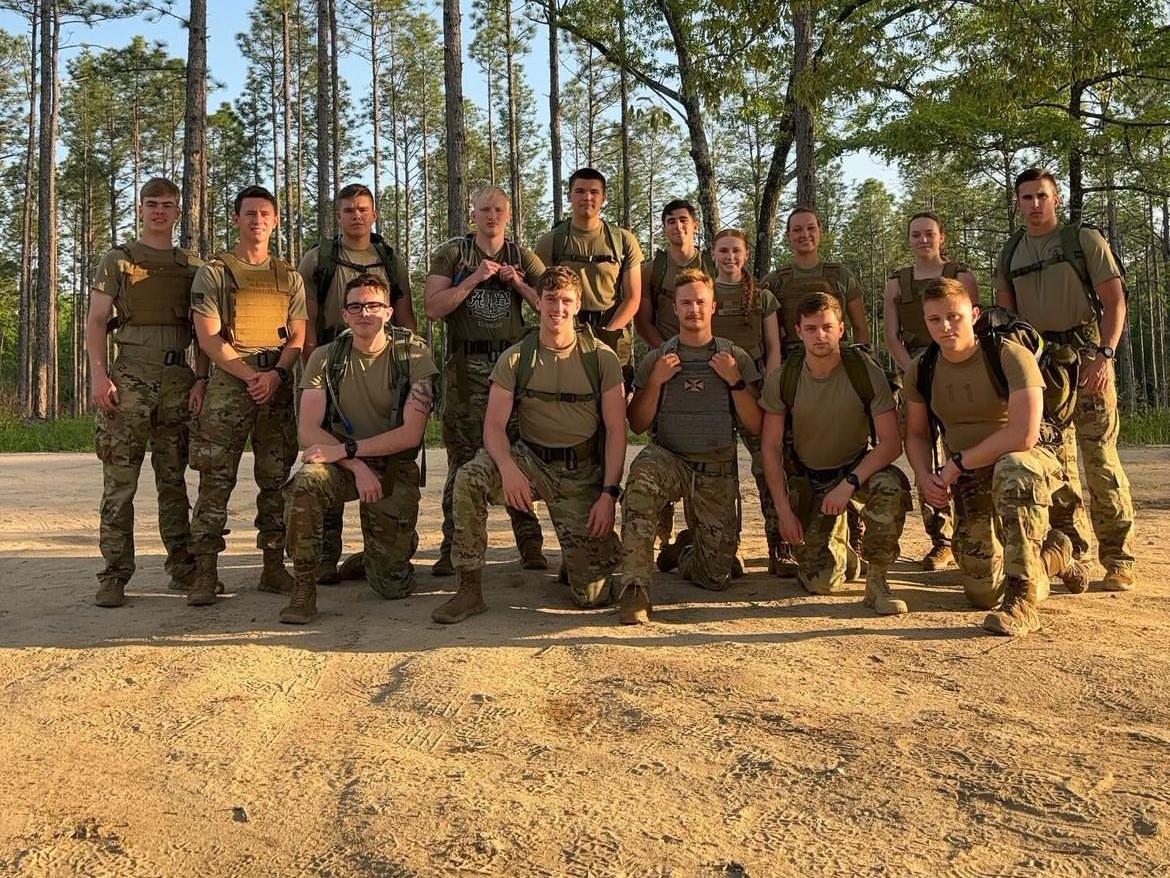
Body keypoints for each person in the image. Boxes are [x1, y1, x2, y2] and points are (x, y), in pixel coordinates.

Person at [430, 266, 626, 624]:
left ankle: (580, 552)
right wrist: (508, 471)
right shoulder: (517, 358)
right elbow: (493, 427)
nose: (558, 308)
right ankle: (469, 588)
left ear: (578, 304)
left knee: (591, 597)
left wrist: (608, 495)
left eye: (567, 300)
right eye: (551, 299)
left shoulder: (601, 359)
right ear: (539, 302)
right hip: (530, 459)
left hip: (579, 471)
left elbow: (616, 432)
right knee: (470, 477)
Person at [904, 277, 1091, 635]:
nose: (944, 327)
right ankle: (1055, 555)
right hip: (971, 474)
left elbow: (1023, 435)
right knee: (982, 591)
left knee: (1012, 466)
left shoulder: (1008, 355)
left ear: (973, 315)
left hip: (1028, 460)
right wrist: (924, 474)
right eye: (934, 320)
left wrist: (955, 464)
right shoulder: (922, 368)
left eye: (953, 317)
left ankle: (1021, 602)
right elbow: (915, 433)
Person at [994, 167, 1136, 591]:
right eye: (1027, 198)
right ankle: (1071, 551)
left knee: (1100, 463)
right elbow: (1007, 316)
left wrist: (1105, 354)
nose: (1035, 205)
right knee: (1054, 464)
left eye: (1042, 196)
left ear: (1056, 199)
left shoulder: (1082, 240)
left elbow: (1114, 300)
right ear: (1018, 203)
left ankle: (1118, 557)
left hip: (1087, 358)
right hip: (1041, 367)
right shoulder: (1012, 251)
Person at [280, 274, 438, 624]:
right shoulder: (325, 357)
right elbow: (308, 429)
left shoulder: (412, 353)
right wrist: (353, 461)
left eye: (374, 305)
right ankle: (304, 587)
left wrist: (348, 451)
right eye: (356, 306)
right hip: (342, 463)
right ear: (345, 313)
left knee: (391, 586)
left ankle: (382, 554)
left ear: (389, 312)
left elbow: (411, 434)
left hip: (392, 466)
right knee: (306, 480)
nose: (365, 312)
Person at [86, 177, 211, 607]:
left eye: (168, 205)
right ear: (141, 209)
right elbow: (97, 320)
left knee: (173, 479)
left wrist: (202, 378)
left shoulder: (193, 266)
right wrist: (100, 376)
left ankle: (183, 566)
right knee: (120, 481)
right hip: (130, 379)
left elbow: (205, 330)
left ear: (178, 212)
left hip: (177, 380)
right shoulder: (118, 261)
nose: (160, 211)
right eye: (153, 204)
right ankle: (115, 574)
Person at [617, 269, 763, 624]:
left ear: (713, 307)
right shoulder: (658, 358)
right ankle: (635, 588)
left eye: (700, 302)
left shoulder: (734, 357)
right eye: (686, 303)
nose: (693, 309)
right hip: (670, 459)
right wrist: (655, 383)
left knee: (716, 577)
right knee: (640, 480)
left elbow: (756, 423)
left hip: (715, 467)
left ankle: (686, 551)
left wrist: (735, 382)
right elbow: (637, 423)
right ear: (675, 309)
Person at [186, 185, 308, 606]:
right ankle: (205, 572)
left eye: (265, 214)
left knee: (275, 477)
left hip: (276, 380)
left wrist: (275, 375)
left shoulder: (289, 276)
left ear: (275, 221)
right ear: (236, 220)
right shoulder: (215, 273)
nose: (257, 221)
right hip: (229, 382)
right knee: (215, 477)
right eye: (249, 214)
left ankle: (273, 566)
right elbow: (208, 336)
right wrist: (248, 374)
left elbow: (297, 336)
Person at [760, 292, 911, 615]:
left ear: (842, 329)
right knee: (821, 582)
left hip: (855, 472)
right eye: (811, 329)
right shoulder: (783, 378)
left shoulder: (864, 372)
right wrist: (784, 511)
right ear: (799, 331)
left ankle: (878, 581)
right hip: (810, 480)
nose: (820, 336)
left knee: (890, 485)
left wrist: (849, 485)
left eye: (827, 327)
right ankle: (840, 545)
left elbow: (890, 443)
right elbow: (770, 448)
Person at [424, 185, 547, 577]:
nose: (491, 216)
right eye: (484, 210)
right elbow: (432, 308)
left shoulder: (520, 256)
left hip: (511, 370)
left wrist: (519, 284)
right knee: (462, 459)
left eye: (498, 210)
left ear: (507, 216)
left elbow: (552, 305)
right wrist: (472, 280)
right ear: (472, 214)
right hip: (465, 369)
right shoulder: (453, 254)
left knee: (515, 453)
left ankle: (528, 541)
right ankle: (453, 545)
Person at [298, 183, 416, 585]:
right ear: (339, 215)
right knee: (322, 456)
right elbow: (307, 313)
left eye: (363, 209)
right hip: (333, 360)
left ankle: (384, 548)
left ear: (374, 214)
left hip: (382, 356)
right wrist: (310, 358)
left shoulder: (388, 258)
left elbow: (404, 311)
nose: (356, 216)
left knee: (392, 584)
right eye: (348, 210)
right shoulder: (320, 258)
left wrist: (409, 359)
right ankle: (321, 560)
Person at [884, 212, 980, 572]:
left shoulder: (960, 276)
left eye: (929, 234)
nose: (923, 240)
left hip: (961, 373)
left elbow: (974, 326)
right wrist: (914, 371)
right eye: (916, 235)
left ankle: (972, 534)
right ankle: (940, 539)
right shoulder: (898, 283)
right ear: (909, 240)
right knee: (923, 454)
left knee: (964, 454)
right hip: (918, 376)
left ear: (942, 237)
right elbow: (891, 336)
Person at [633, 198, 715, 550]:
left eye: (683, 220)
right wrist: (665, 353)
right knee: (663, 441)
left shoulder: (712, 263)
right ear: (663, 227)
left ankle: (705, 533)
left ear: (695, 225)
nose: (677, 226)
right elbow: (643, 318)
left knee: (708, 446)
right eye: (670, 221)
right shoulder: (654, 268)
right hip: (668, 363)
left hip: (709, 364)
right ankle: (660, 531)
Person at [705, 228, 786, 575]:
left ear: (746, 254)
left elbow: (774, 349)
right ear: (713, 254)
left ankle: (778, 545)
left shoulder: (763, 297)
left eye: (736, 251)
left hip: (753, 390)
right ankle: (727, 547)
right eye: (723, 251)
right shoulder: (705, 292)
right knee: (720, 473)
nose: (729, 257)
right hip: (712, 392)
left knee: (767, 466)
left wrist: (771, 389)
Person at [534, 167, 643, 385]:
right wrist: (566, 328)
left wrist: (609, 333)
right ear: (570, 195)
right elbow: (541, 293)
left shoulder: (623, 240)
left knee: (614, 397)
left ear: (604, 197)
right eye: (580, 191)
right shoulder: (550, 242)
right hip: (566, 328)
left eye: (594, 192)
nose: (587, 197)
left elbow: (633, 298)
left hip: (612, 328)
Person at [761, 206, 871, 356]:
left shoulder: (841, 276)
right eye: (797, 230)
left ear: (820, 232)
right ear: (788, 236)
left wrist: (861, 363)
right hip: (791, 364)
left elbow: (860, 328)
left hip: (837, 361)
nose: (805, 234)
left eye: (811, 228)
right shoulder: (774, 281)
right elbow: (766, 337)